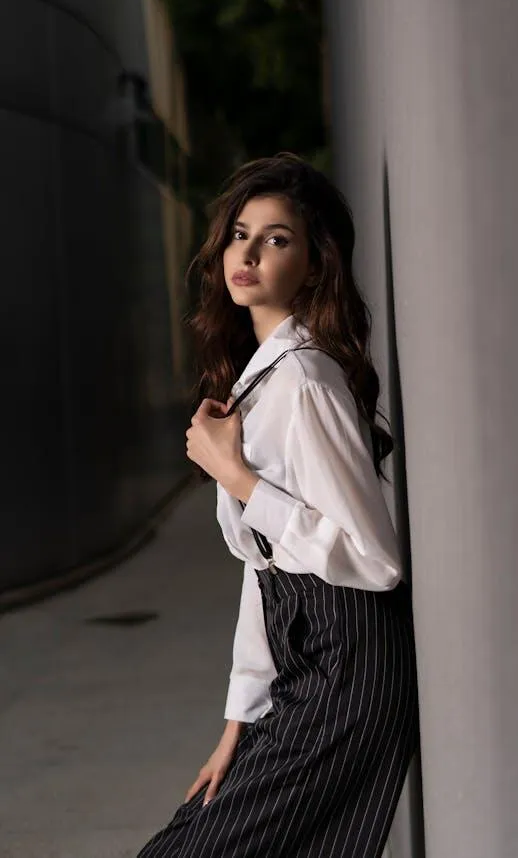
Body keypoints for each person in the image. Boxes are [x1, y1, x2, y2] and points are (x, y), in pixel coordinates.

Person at [137, 152, 418, 858]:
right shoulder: (261, 380)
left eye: (278, 238)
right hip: (306, 662)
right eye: (239, 233)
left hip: (347, 669)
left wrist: (236, 477)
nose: (250, 252)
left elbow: (376, 560)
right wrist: (238, 724)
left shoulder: (305, 381)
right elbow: (263, 576)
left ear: (315, 265)